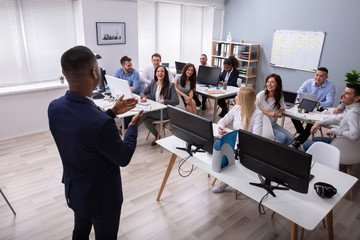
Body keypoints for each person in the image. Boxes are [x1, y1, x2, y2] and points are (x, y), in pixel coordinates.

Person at [48, 46, 143, 239]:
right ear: (94, 72)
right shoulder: (99, 123)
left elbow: (83, 132)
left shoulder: (54, 108)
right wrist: (133, 126)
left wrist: (112, 112)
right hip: (103, 199)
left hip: (76, 190)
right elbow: (123, 157)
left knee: (80, 232)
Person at [212, 87, 263, 193]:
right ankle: (227, 180)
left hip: (248, 146)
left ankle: (229, 182)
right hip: (234, 141)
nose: (235, 97)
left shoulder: (258, 114)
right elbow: (223, 120)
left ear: (244, 99)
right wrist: (221, 127)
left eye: (237, 96)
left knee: (229, 157)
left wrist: (232, 135)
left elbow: (254, 138)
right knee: (219, 152)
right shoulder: (237, 108)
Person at [303, 83, 360, 151]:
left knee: (306, 144)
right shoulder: (350, 108)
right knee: (315, 140)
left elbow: (354, 136)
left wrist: (334, 130)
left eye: (347, 93)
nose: (342, 94)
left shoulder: (354, 113)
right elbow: (339, 119)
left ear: (357, 98)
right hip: (343, 142)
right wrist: (319, 123)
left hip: (344, 148)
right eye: (344, 91)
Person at [292, 67, 336, 149]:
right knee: (293, 116)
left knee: (311, 122)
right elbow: (299, 93)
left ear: (326, 77)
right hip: (305, 105)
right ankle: (302, 133)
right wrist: (301, 99)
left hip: (317, 109)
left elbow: (330, 103)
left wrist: (318, 102)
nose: (318, 78)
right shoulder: (308, 82)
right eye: (317, 75)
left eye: (321, 76)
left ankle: (299, 141)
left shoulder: (330, 86)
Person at [139, 65, 179, 146]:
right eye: (158, 71)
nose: (159, 73)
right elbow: (143, 92)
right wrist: (143, 97)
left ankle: (129, 131)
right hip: (155, 109)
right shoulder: (153, 82)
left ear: (165, 73)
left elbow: (176, 101)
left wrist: (163, 101)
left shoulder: (170, 85)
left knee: (144, 114)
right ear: (155, 73)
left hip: (165, 111)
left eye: (162, 71)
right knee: (146, 120)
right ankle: (157, 136)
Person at [256, 73, 294, 145]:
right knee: (281, 137)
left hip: (272, 124)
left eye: (272, 82)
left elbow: (283, 107)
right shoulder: (262, 94)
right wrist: (268, 113)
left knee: (291, 139)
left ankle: (277, 152)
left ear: (277, 84)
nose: (269, 84)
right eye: (268, 82)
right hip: (262, 124)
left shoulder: (280, 96)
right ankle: (271, 153)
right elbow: (253, 107)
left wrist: (280, 112)